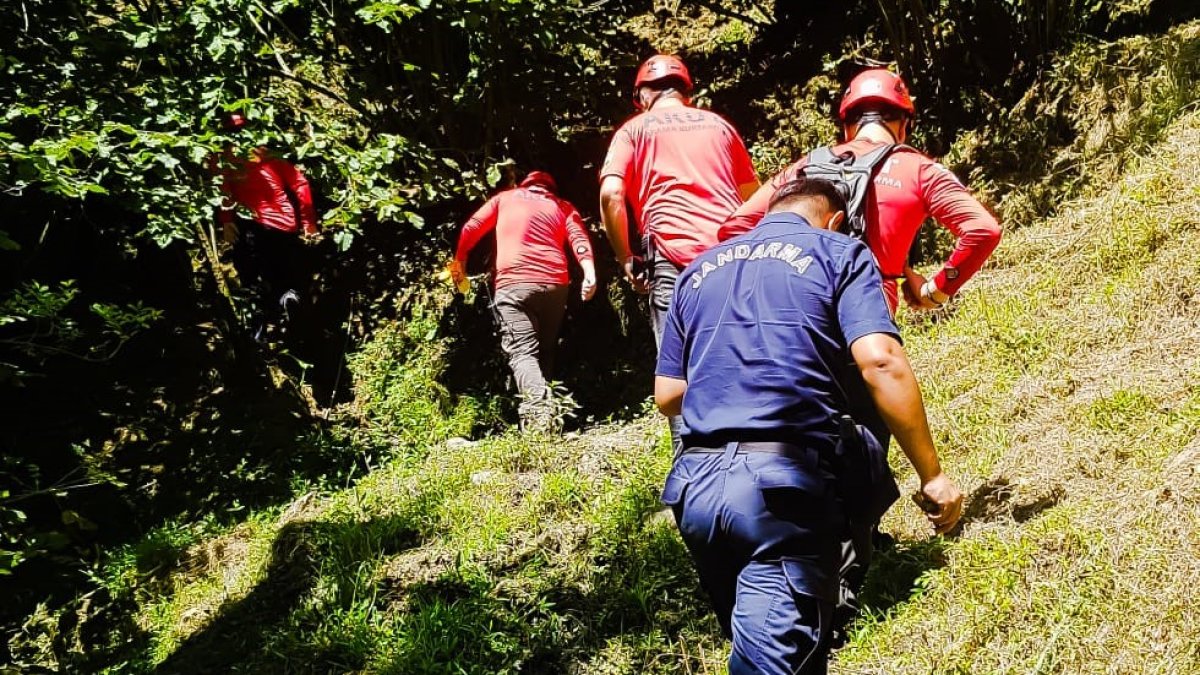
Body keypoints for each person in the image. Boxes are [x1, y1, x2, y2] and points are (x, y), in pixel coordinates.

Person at [655, 177, 964, 673]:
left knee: (767, 655)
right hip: (781, 492)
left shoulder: (696, 270)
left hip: (696, 491)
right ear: (835, 219)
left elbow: (668, 394)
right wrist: (931, 474)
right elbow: (881, 362)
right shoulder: (839, 252)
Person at [719, 68, 1001, 316]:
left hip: (789, 314)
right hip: (867, 322)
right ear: (905, 125)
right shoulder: (918, 169)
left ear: (846, 126)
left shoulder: (806, 165)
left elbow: (735, 228)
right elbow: (983, 230)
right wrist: (935, 290)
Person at [599, 54, 759, 451]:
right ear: (687, 91)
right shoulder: (720, 126)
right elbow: (753, 197)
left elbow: (611, 194)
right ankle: (751, 454)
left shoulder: (634, 130)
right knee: (739, 350)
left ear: (641, 96)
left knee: (678, 367)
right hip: (731, 250)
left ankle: (692, 473)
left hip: (671, 254)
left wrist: (624, 256)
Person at [452, 170, 597, 433]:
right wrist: (589, 272)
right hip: (555, 285)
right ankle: (543, 421)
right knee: (544, 350)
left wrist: (460, 260)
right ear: (550, 189)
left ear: (524, 185)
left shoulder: (505, 198)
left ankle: (541, 421)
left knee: (522, 353)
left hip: (514, 284)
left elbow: (472, 227)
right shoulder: (562, 206)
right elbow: (579, 238)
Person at [211, 112, 321, 341]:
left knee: (253, 280)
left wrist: (227, 221)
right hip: (284, 226)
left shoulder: (223, 158)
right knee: (284, 276)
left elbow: (223, 191)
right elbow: (300, 183)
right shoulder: (268, 154)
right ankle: (289, 305)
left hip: (252, 226)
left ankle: (259, 334)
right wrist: (309, 223)